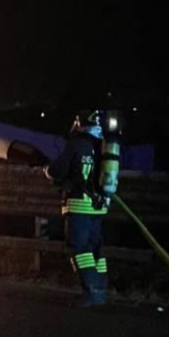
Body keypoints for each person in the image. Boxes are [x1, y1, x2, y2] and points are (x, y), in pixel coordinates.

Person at [46, 110, 108, 307]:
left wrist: (46, 170)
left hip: (80, 205)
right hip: (99, 206)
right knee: (95, 248)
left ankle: (90, 293)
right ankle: (100, 292)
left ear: (80, 123)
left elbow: (57, 171)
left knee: (80, 248)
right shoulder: (103, 145)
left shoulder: (76, 144)